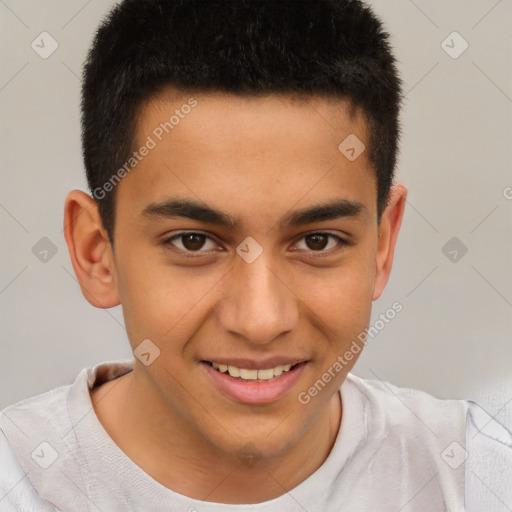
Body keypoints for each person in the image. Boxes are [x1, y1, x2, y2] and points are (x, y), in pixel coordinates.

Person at [1, 0, 511, 510]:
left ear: (382, 246)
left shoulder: (484, 479)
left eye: (317, 241)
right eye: (194, 242)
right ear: (97, 253)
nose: (261, 320)